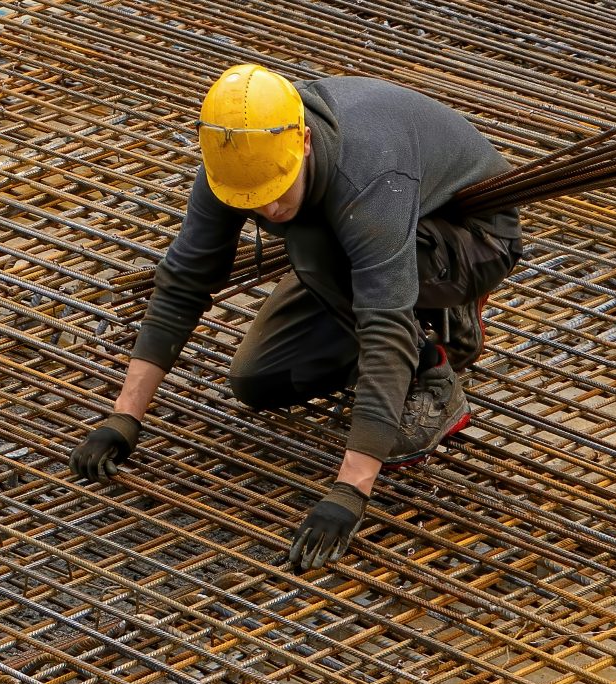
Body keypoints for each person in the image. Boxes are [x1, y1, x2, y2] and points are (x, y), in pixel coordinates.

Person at [68, 64, 522, 573]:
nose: (267, 207)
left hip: (470, 238)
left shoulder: (368, 174)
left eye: (276, 189)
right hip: (359, 242)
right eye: (252, 201)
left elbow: (383, 325)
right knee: (259, 381)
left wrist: (350, 491)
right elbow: (183, 281)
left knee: (312, 241)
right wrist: (123, 417)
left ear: (303, 142)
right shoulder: (233, 160)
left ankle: (433, 365)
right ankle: (427, 317)